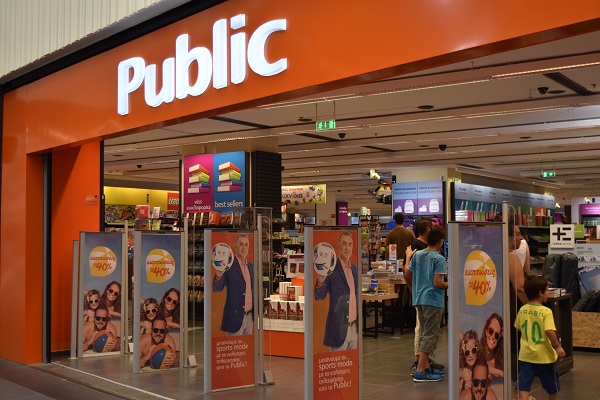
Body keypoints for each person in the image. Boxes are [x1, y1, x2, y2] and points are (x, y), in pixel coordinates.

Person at [404, 224, 447, 382]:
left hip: (419, 299)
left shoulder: (418, 255)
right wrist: (451, 284)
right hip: (433, 300)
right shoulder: (439, 258)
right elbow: (438, 282)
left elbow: (408, 273)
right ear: (441, 241)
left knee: (423, 332)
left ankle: (425, 365)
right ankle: (421, 371)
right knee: (430, 334)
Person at [514, 275, 565, 400]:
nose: (548, 293)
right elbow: (549, 330)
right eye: (547, 290)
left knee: (524, 383)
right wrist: (557, 347)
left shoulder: (523, 309)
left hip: (526, 355)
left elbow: (518, 328)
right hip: (544, 356)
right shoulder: (546, 311)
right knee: (551, 384)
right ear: (540, 293)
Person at [315, 231, 359, 351]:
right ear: (338, 246)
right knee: (338, 367)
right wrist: (320, 280)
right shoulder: (331, 269)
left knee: (351, 367)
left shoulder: (355, 269)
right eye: (344, 244)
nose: (347, 248)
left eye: (350, 244)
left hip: (354, 328)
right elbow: (319, 296)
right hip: (338, 329)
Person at [213, 233, 254, 336]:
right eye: (241, 244)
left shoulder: (252, 267)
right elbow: (217, 288)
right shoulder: (228, 265)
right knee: (234, 351)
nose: (244, 248)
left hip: (250, 317)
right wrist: (218, 276)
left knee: (246, 350)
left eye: (246, 245)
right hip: (235, 319)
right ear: (235, 246)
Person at [480, 313, 504, 379]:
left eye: (496, 335)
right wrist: (500, 373)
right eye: (491, 331)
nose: (493, 337)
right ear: (486, 331)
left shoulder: (502, 359)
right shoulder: (476, 352)